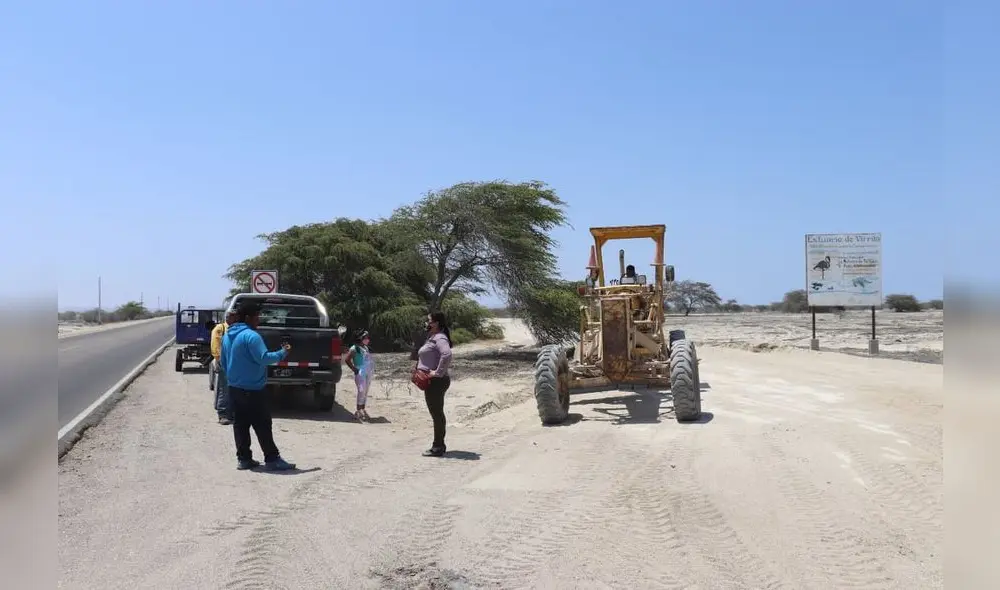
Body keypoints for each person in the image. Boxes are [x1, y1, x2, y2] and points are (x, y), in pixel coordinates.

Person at [220, 301, 296, 471]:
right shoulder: (251, 336)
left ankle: (244, 459)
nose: (258, 320)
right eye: (256, 317)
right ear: (248, 318)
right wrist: (283, 352)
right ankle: (272, 459)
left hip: (234, 388)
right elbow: (264, 358)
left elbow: (223, 362)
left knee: (240, 424)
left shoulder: (227, 336)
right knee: (262, 424)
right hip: (253, 389)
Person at [415, 311, 453, 457]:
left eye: (429, 320)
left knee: (437, 414)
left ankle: (438, 447)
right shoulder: (432, 337)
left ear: (436, 323)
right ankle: (439, 445)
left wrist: (437, 372)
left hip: (436, 382)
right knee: (436, 413)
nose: (427, 323)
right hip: (432, 381)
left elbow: (447, 354)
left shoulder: (440, 338)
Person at [210, 311, 238, 425]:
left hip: (234, 363)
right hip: (223, 363)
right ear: (228, 318)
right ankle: (222, 414)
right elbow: (215, 346)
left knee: (232, 389)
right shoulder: (220, 328)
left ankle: (230, 414)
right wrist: (219, 360)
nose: (235, 319)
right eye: (233, 317)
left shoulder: (236, 329)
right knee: (224, 389)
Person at [344, 329, 375, 422]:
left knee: (365, 392)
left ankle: (362, 409)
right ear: (360, 338)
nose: (367, 339)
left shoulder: (365, 347)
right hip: (360, 373)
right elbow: (347, 359)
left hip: (368, 372)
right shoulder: (354, 348)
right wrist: (354, 369)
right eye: (365, 338)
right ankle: (358, 411)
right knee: (361, 391)